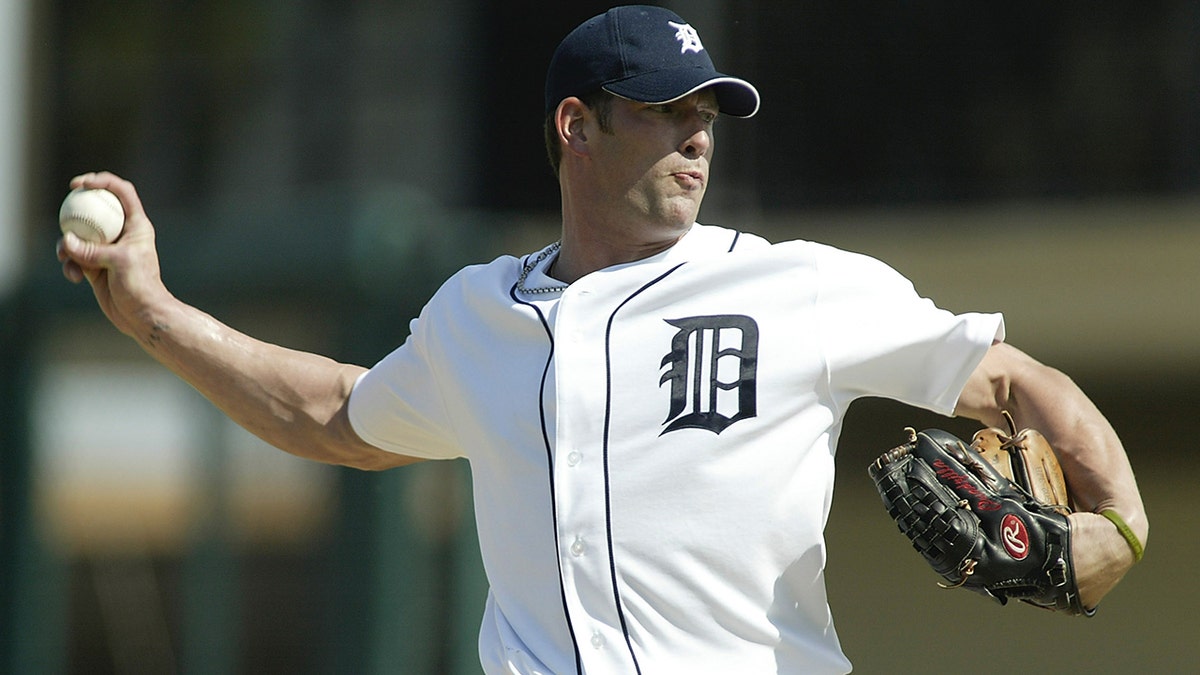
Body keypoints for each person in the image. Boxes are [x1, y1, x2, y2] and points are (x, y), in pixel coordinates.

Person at [57, 5, 1146, 674]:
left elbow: (1009, 377)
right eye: (665, 109)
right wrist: (153, 312)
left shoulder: (798, 285)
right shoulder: (478, 313)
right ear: (578, 126)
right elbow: (336, 414)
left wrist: (1123, 526)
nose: (697, 133)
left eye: (708, 112)